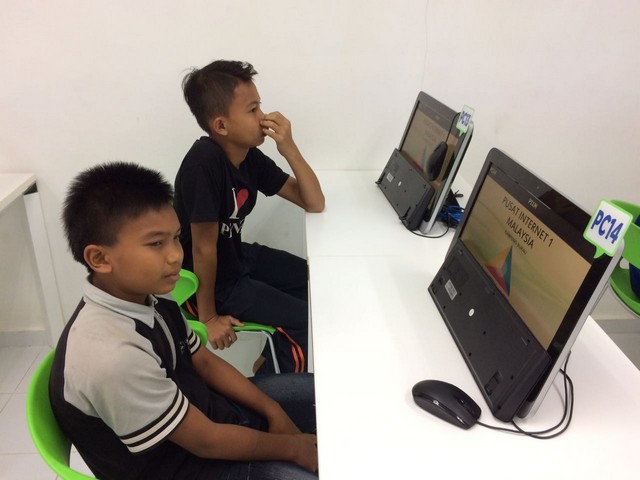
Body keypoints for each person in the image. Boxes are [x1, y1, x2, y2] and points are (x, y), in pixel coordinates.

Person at [50, 162, 318, 480]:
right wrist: (293, 448)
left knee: (331, 395)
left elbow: (204, 363)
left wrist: (274, 411)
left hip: (213, 418)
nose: (176, 255)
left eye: (176, 238)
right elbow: (207, 441)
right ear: (100, 258)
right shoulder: (112, 356)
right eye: (156, 243)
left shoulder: (152, 300)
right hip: (193, 466)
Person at [174, 59, 325, 374]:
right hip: (207, 283)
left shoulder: (248, 157)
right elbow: (203, 248)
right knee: (305, 321)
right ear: (221, 126)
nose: (263, 117)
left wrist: (289, 148)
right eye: (253, 109)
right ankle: (277, 393)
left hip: (236, 259)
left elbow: (313, 202)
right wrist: (208, 317)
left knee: (314, 281)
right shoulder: (203, 164)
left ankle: (270, 361)